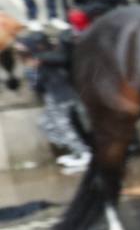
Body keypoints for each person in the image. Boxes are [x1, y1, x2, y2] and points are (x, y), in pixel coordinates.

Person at [14, 28, 91, 173]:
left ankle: (83, 152)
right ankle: (79, 150)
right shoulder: (44, 60)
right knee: (47, 125)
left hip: (61, 98)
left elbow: (58, 63)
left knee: (64, 127)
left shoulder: (48, 58)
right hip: (57, 98)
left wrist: (37, 61)